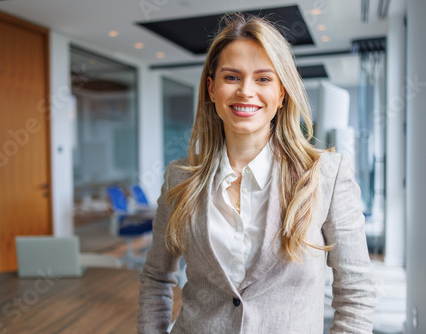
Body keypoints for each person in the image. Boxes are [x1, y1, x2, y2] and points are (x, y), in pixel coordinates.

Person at [137, 13, 376, 334]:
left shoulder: (325, 175)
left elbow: (356, 292)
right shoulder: (180, 177)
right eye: (232, 77)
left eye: (263, 79)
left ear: (282, 94)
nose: (246, 91)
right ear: (211, 88)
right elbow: (155, 276)